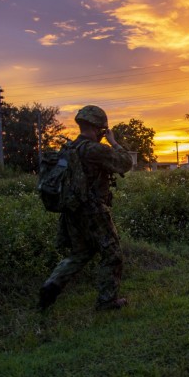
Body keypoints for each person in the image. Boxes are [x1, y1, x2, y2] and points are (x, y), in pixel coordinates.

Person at [39, 105, 133, 312]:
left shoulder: (70, 148)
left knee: (80, 253)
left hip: (71, 210)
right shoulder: (94, 149)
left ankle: (51, 285)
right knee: (112, 254)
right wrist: (114, 142)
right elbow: (126, 163)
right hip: (93, 210)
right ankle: (107, 301)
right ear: (99, 127)